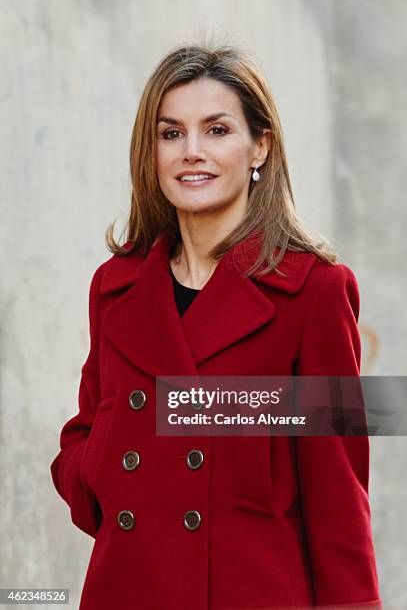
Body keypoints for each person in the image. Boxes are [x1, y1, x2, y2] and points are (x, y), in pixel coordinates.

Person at [50, 42, 382, 610]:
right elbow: (84, 432)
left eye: (218, 130)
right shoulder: (116, 286)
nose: (192, 152)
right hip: (126, 589)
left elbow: (337, 492)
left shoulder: (317, 291)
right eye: (171, 133)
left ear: (260, 146)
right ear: (150, 152)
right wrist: (104, 463)